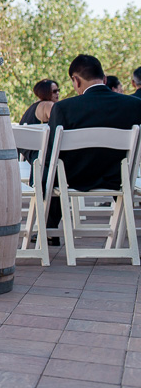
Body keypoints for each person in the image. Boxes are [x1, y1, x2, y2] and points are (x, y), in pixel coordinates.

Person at [42, 55, 141, 245]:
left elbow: (52, 152)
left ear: (76, 80)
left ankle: (48, 228)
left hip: (73, 178)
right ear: (104, 79)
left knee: (47, 167)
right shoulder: (134, 105)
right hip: (119, 177)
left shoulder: (63, 108)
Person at [18, 79, 59, 165]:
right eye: (54, 91)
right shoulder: (48, 105)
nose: (58, 93)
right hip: (38, 153)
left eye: (58, 90)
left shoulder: (34, 106)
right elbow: (58, 123)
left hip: (25, 151)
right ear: (46, 92)